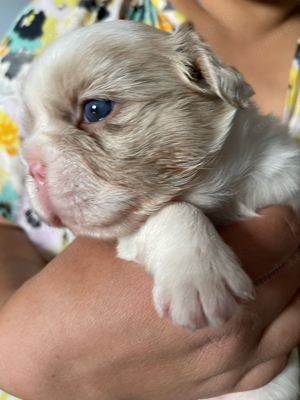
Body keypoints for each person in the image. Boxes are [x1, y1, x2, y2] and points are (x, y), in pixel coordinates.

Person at [0, 0, 299, 399]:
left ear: (207, 80)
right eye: (29, 135)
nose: (36, 165)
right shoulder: (66, 14)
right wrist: (18, 353)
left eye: (96, 110)